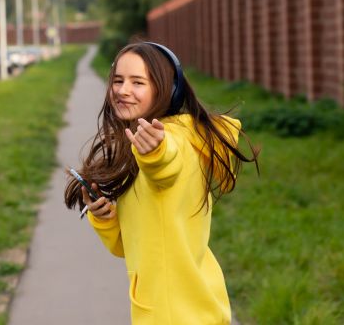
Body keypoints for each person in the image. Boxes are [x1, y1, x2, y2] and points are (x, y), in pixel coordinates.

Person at [64, 41, 259, 324]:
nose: (123, 90)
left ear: (167, 89)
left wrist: (155, 154)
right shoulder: (171, 138)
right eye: (118, 80)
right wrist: (104, 217)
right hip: (189, 304)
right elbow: (127, 247)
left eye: (138, 82)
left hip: (174, 314)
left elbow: (166, 168)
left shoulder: (171, 140)